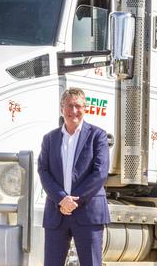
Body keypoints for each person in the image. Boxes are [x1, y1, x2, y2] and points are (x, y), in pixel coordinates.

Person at [38, 87, 110, 266]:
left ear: (85, 108)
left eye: (78, 106)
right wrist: (62, 199)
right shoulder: (49, 138)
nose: (74, 111)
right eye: (69, 106)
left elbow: (100, 172)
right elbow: (43, 170)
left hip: (88, 211)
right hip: (57, 213)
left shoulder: (97, 136)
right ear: (62, 108)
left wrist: (74, 201)